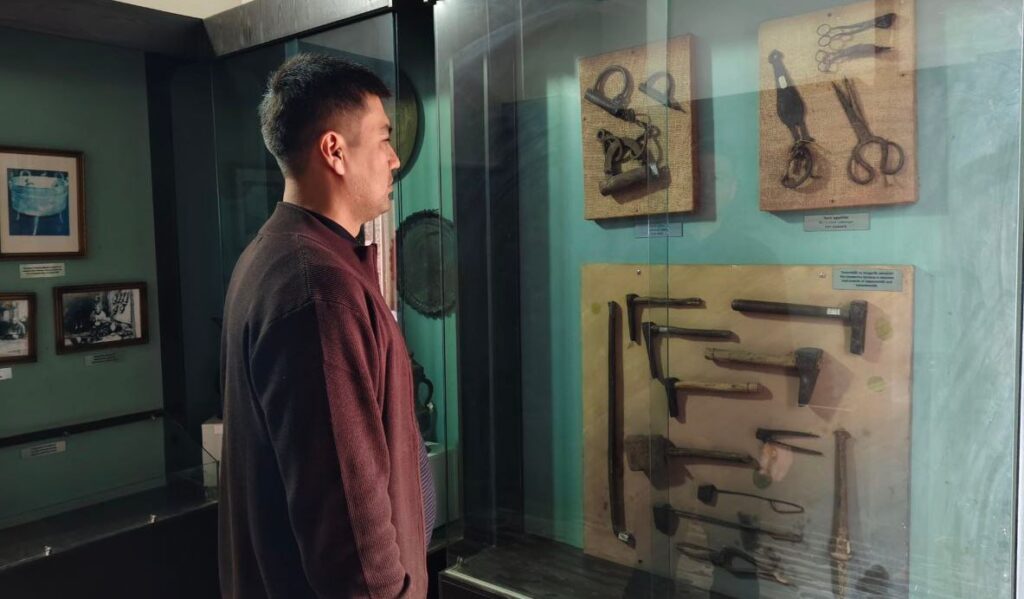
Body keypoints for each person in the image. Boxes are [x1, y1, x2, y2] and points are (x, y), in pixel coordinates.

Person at [219, 54, 435, 599]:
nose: (394, 159)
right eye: (383, 139)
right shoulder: (317, 287)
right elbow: (350, 535)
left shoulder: (275, 255)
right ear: (335, 151)